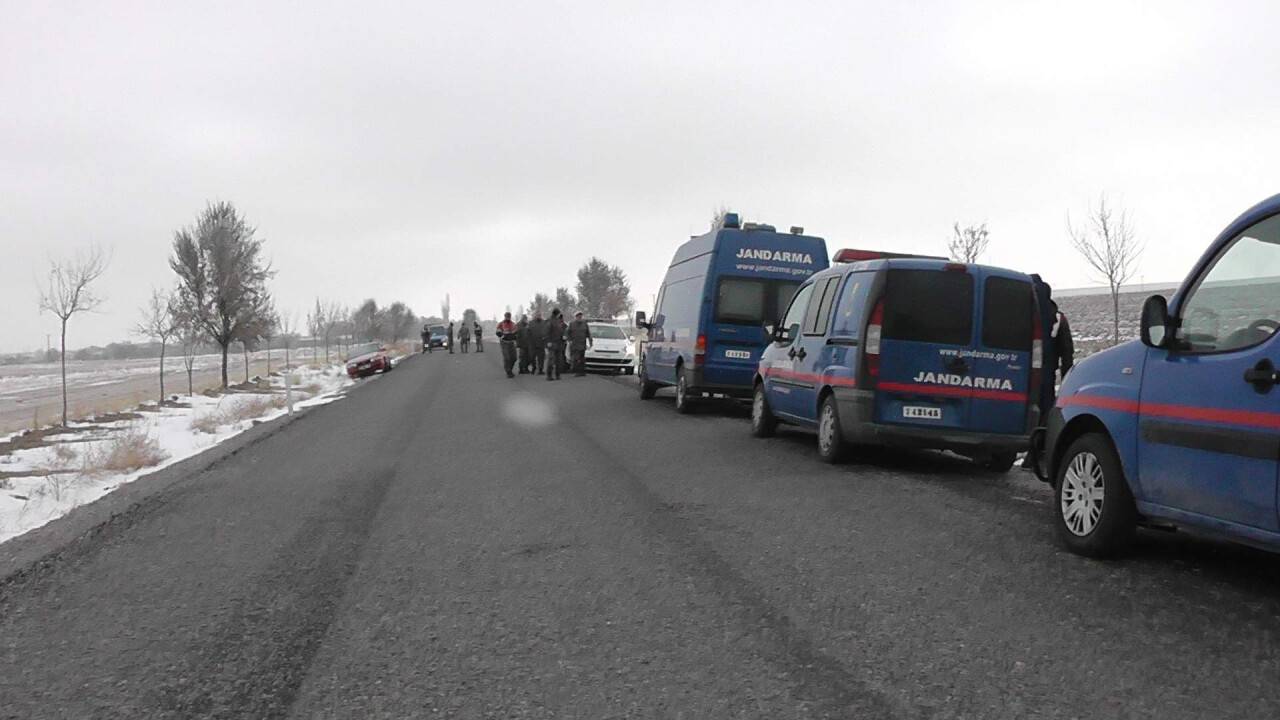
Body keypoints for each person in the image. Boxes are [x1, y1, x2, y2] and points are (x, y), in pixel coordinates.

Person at [567, 311, 594, 376]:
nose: (579, 317)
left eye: (580, 316)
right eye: (578, 316)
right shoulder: (571, 324)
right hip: (575, 344)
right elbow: (567, 333)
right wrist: (569, 340)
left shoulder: (585, 324)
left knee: (582, 358)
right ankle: (577, 371)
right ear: (575, 317)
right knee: (576, 358)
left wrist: (591, 342)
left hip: (582, 344)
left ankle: (582, 372)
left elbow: (588, 334)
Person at [545, 308, 567, 381]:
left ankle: (558, 375)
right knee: (551, 360)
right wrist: (548, 341)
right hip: (552, 343)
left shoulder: (558, 321)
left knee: (558, 360)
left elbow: (561, 330)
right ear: (557, 313)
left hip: (559, 343)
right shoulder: (550, 321)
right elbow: (547, 332)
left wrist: (563, 336)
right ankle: (549, 375)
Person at [496, 312, 519, 378]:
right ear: (505, 316)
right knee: (507, 358)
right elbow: (498, 332)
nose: (508, 317)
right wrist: (502, 334)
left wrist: (515, 337)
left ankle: (510, 369)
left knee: (514, 358)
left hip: (511, 342)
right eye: (506, 316)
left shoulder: (513, 324)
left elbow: (517, 333)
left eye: (509, 316)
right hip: (504, 342)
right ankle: (508, 371)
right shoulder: (501, 324)